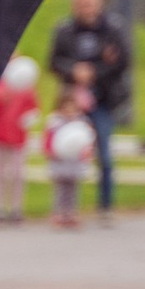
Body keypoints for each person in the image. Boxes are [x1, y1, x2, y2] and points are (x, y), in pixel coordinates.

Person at [49, 0, 131, 220]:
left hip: (103, 99)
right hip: (72, 104)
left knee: (104, 154)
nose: (86, 6)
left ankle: (105, 206)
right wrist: (73, 70)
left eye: (90, 2)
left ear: (99, 2)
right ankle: (66, 208)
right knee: (67, 155)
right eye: (81, 2)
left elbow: (123, 62)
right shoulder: (64, 30)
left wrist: (94, 72)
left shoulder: (113, 29)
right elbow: (54, 62)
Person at [0, 55, 41, 224]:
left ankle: (17, 208)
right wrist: (0, 98)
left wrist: (28, 119)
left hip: (18, 138)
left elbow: (33, 110)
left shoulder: (26, 89)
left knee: (17, 173)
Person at [45, 85, 95, 229]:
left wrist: (87, 155)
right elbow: (48, 140)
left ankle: (71, 213)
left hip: (74, 163)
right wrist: (50, 151)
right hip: (60, 161)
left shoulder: (82, 123)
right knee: (60, 190)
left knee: (73, 190)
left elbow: (87, 142)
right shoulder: (55, 123)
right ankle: (59, 213)